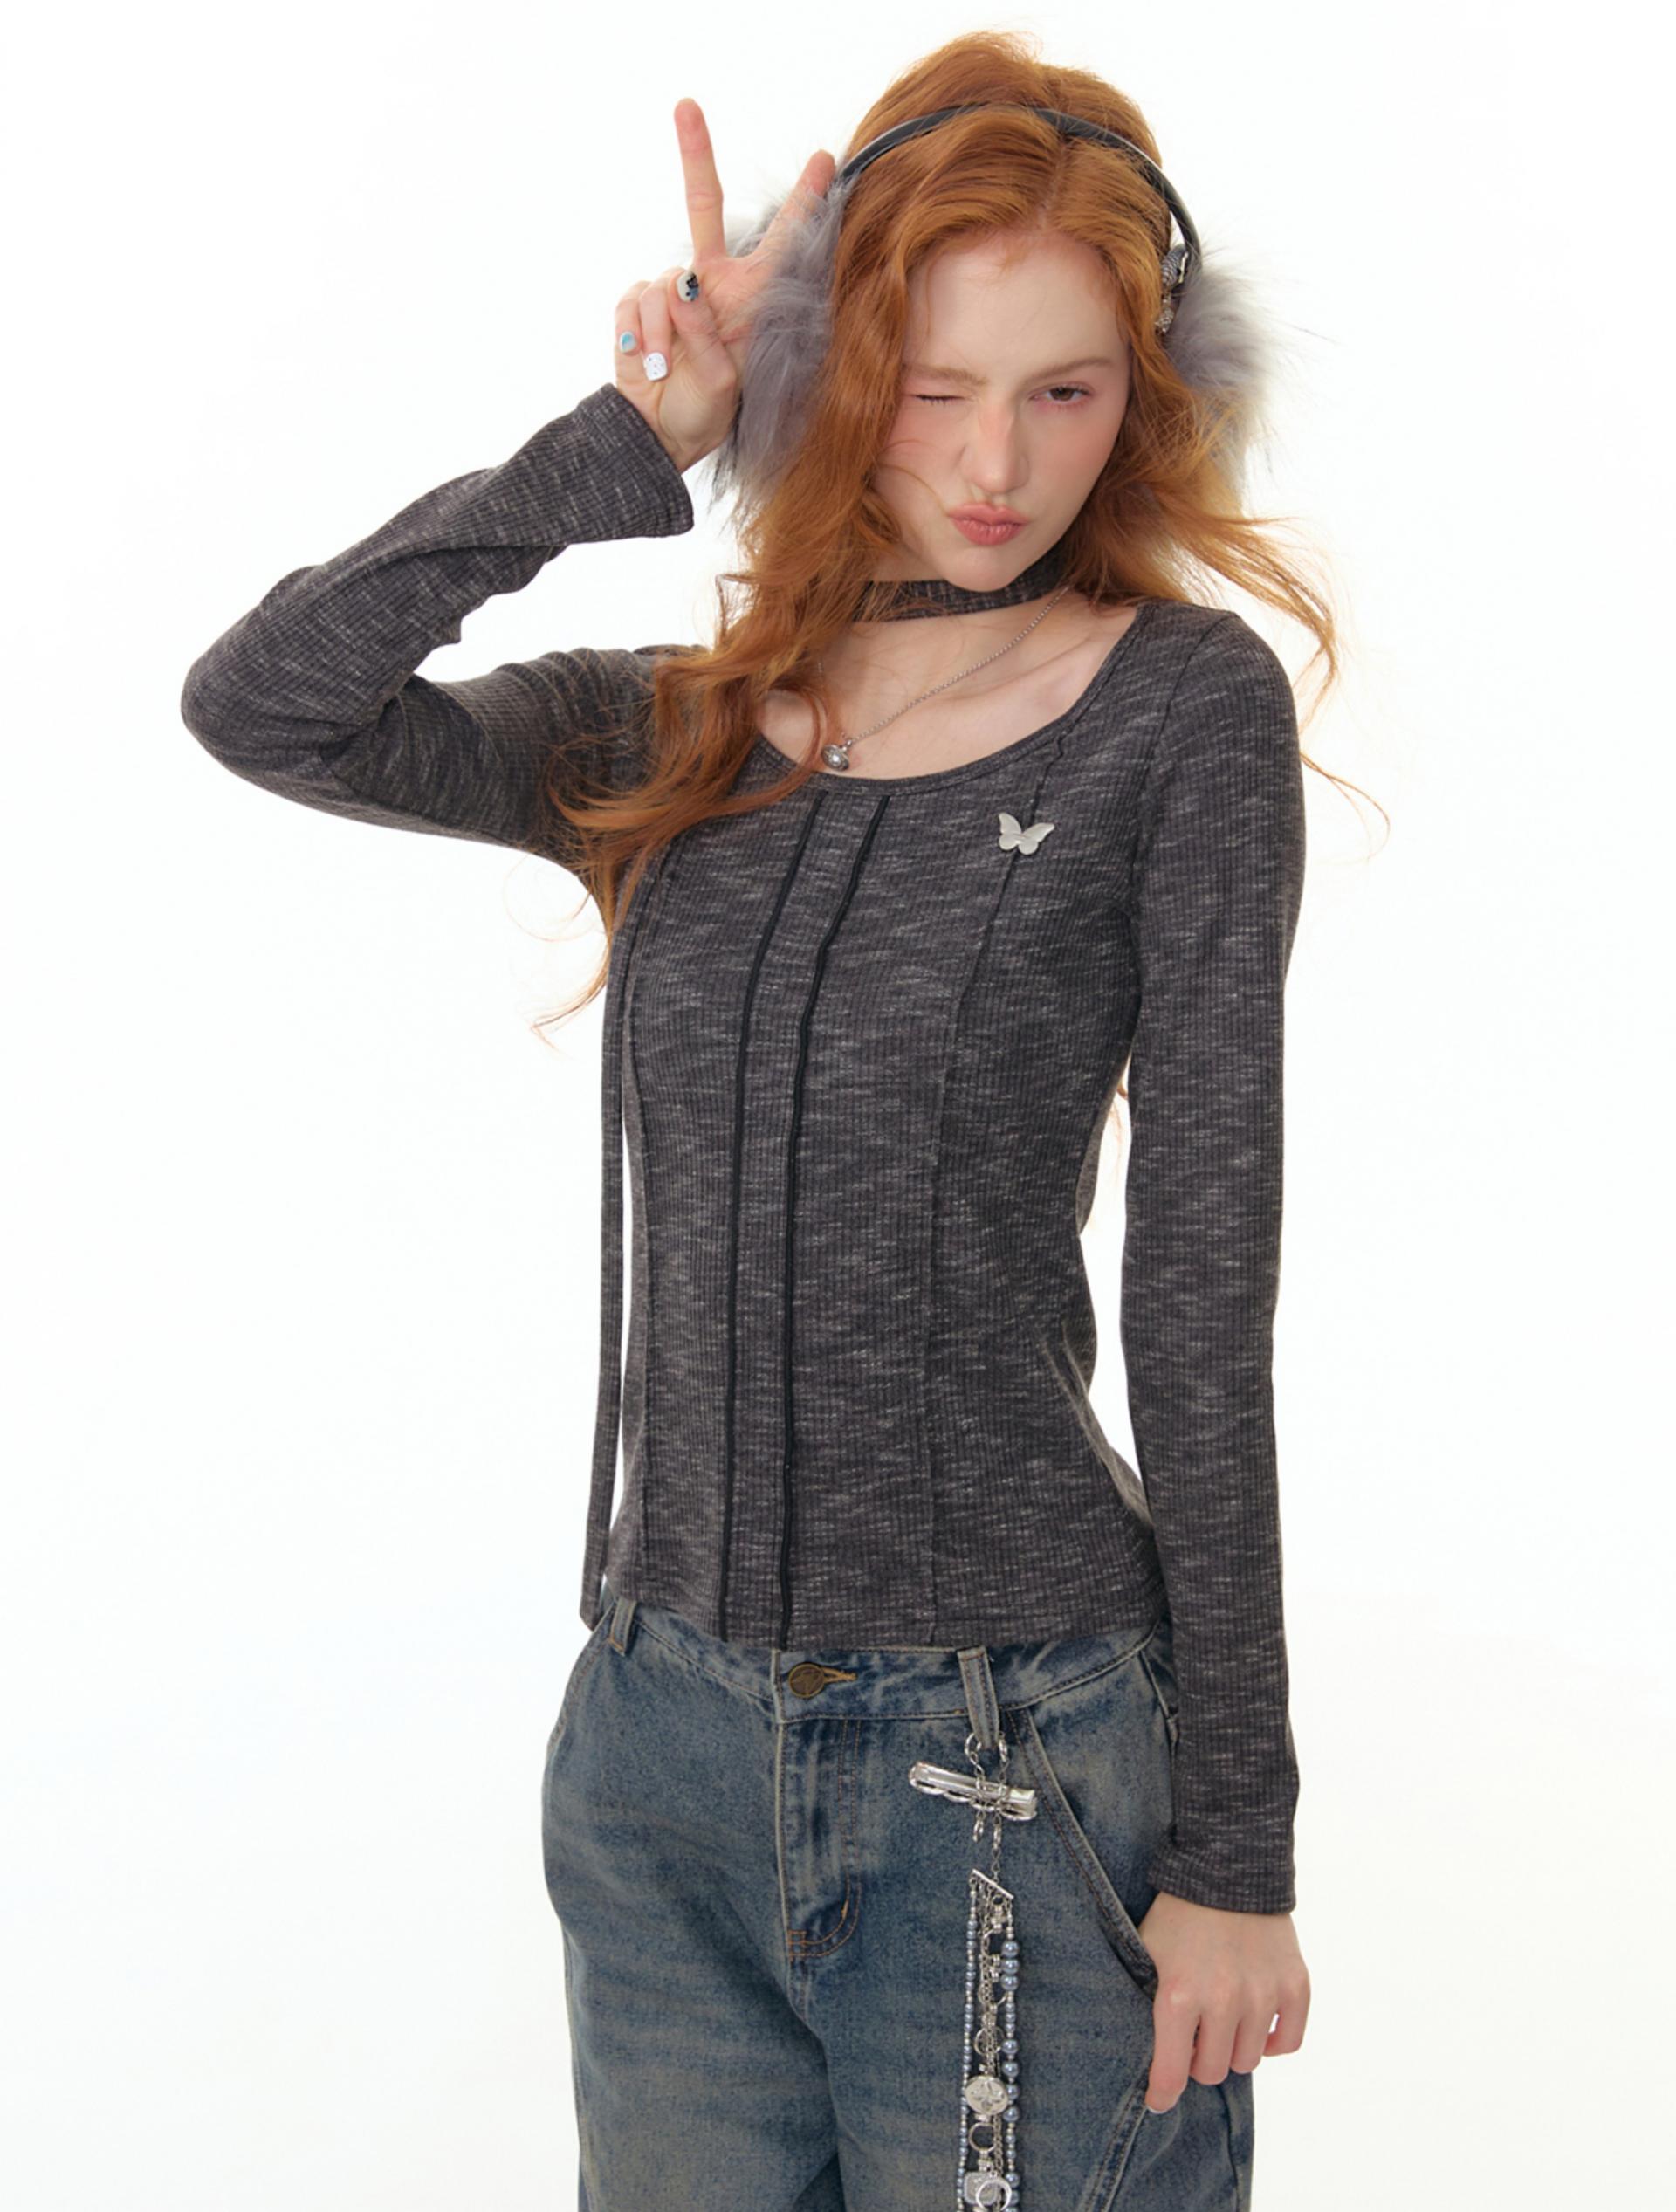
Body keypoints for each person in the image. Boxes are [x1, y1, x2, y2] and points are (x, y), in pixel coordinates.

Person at [182, 31, 1335, 2211]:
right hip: (662, 1753)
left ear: (1151, 391)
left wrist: (1241, 1849)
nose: (995, 461)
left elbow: (1204, 1292)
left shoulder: (1180, 715)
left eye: (1066, 390)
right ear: (834, 373)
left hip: (1012, 1765)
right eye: (930, 383)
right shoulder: (675, 732)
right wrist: (632, 438)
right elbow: (268, 702)